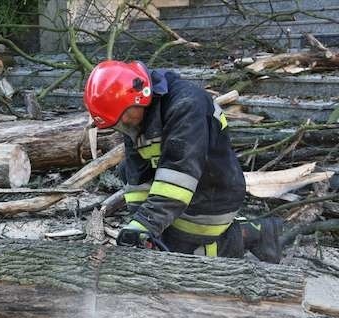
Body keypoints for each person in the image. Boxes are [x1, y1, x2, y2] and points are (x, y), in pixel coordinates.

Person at [84, 60, 283, 263]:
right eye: (118, 124)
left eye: (125, 118)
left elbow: (179, 173)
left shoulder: (186, 104)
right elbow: (138, 173)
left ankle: (254, 233)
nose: (125, 126)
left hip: (213, 192)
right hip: (180, 190)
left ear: (140, 96)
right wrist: (140, 227)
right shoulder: (134, 115)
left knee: (181, 256)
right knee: (126, 170)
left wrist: (146, 223)